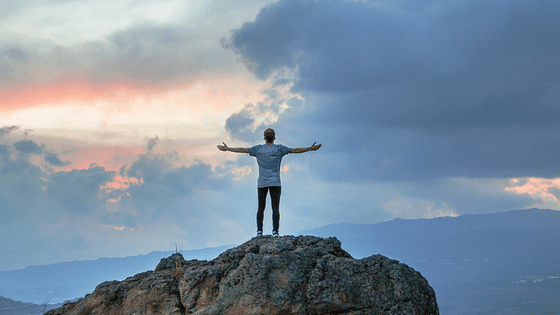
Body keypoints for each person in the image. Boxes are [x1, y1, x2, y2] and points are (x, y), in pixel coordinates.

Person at [217, 128, 321, 237]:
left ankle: (259, 232)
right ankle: (275, 231)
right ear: (274, 137)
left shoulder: (258, 149)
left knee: (260, 207)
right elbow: (295, 150)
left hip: (262, 183)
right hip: (275, 182)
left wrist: (227, 149)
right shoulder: (279, 149)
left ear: (264, 137)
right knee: (275, 207)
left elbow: (242, 150)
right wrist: (310, 148)